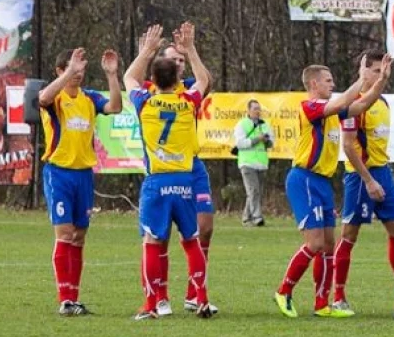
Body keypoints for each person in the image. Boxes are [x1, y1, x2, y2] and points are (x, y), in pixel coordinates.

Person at [274, 53, 393, 319]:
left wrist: (380, 81)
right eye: (328, 80)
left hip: (323, 181)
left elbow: (361, 106)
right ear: (314, 84)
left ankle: (322, 304)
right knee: (314, 243)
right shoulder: (311, 108)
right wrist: (361, 79)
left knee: (328, 245)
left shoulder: (332, 109)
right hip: (304, 179)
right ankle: (284, 291)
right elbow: (343, 101)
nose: (332, 83)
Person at [331, 50, 394, 315]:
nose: (380, 75)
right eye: (375, 70)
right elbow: (348, 146)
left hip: (382, 172)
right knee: (349, 235)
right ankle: (339, 295)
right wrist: (368, 180)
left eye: (382, 71)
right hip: (359, 176)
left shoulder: (384, 103)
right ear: (362, 71)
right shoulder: (354, 102)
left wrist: (380, 179)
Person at [126, 23, 214, 321]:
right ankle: (200, 298)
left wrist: (146, 51)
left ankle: (151, 306)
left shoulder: (145, 102)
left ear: (152, 79)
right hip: (184, 180)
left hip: (157, 182)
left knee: (152, 241)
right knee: (191, 241)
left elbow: (128, 77)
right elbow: (203, 78)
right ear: (178, 78)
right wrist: (190, 49)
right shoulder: (188, 102)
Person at [39, 47, 123, 316]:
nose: (78, 74)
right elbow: (42, 97)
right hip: (59, 173)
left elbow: (116, 107)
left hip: (83, 175)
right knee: (64, 234)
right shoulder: (55, 98)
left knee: (79, 238)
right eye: (72, 69)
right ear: (60, 71)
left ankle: (73, 299)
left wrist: (112, 75)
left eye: (81, 69)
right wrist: (68, 74)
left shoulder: (89, 98)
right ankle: (65, 300)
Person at [234, 99, 274, 227]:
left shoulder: (265, 125)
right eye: (255, 108)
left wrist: (268, 140)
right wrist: (258, 139)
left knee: (254, 192)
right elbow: (240, 143)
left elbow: (272, 142)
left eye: (259, 108)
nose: (258, 111)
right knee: (253, 190)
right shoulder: (242, 124)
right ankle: (257, 217)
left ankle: (246, 218)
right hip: (247, 163)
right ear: (248, 110)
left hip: (261, 163)